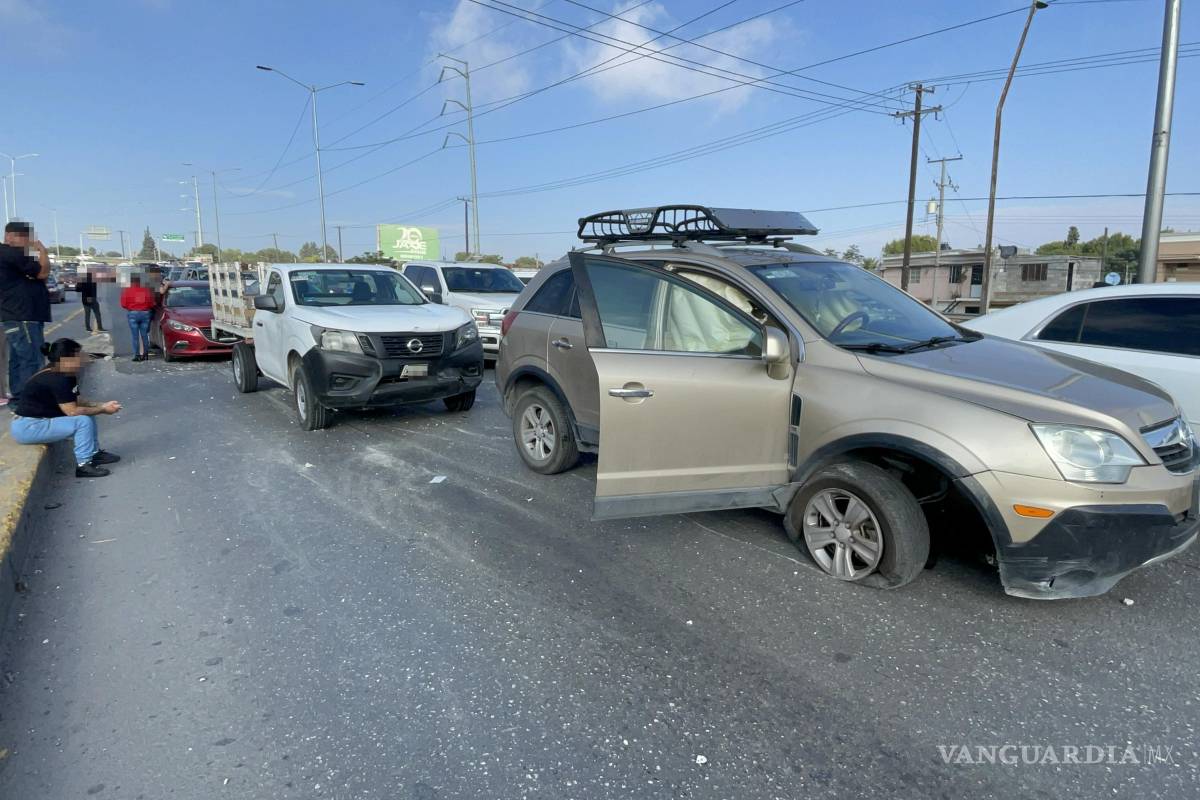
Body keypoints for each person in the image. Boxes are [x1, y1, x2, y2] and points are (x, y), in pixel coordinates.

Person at [9, 338, 121, 478]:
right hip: (29, 427)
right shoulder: (57, 378)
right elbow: (72, 411)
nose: (82, 359)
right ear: (67, 358)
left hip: (38, 422)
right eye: (78, 355)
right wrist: (104, 410)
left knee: (88, 414)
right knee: (82, 421)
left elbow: (76, 400)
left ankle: (94, 453)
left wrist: (100, 405)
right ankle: (83, 465)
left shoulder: (63, 373)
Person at [0, 221, 52, 402]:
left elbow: (38, 277)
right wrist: (42, 251)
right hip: (23, 316)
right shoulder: (11, 253)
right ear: (9, 236)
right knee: (32, 359)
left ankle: (20, 399)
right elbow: (43, 273)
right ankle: (32, 400)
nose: (28, 241)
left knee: (18, 360)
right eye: (24, 237)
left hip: (18, 315)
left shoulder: (12, 256)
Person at [119, 275, 155, 361]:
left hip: (133, 313)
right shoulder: (146, 290)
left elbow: (123, 304)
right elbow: (151, 303)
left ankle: (137, 355)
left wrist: (130, 307)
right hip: (145, 313)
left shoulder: (127, 290)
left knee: (135, 336)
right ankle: (145, 354)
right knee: (144, 335)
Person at [76, 266, 105, 332]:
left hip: (85, 298)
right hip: (92, 297)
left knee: (87, 314)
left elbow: (77, 289)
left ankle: (88, 328)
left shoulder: (81, 280)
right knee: (97, 313)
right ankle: (100, 327)